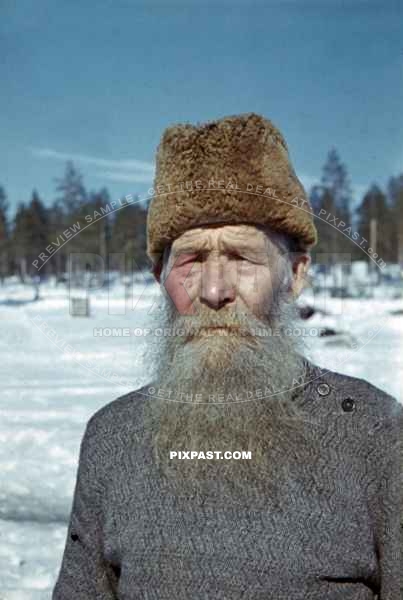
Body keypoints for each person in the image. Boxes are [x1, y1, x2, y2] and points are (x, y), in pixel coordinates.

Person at [52, 112, 403, 599]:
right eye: (192, 260)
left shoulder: (376, 432)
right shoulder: (112, 437)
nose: (215, 291)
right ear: (161, 277)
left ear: (295, 274)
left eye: (241, 258)